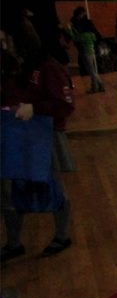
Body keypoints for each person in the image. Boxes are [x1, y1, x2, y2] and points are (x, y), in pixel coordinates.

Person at [1, 30, 75, 263]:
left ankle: (62, 235)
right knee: (12, 189)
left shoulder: (48, 68)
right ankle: (13, 242)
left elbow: (64, 104)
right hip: (17, 136)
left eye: (6, 40)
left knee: (52, 187)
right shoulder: (14, 68)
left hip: (44, 136)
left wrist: (36, 108)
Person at [68, 7, 104, 93]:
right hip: (92, 52)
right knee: (94, 70)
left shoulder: (83, 35)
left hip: (85, 53)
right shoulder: (91, 35)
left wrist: (70, 29)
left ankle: (100, 84)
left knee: (91, 71)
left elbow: (75, 38)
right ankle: (95, 87)